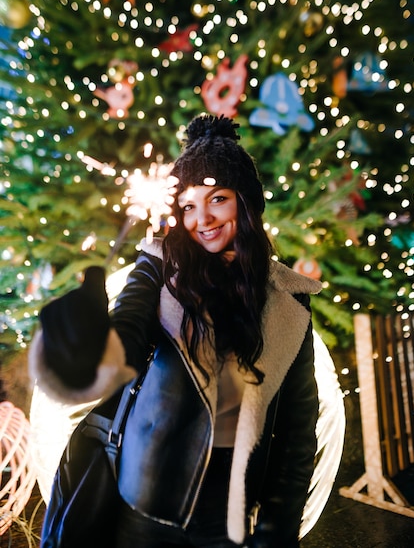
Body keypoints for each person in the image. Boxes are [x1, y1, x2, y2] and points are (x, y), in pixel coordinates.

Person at [30, 114, 322, 548]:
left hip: (230, 523)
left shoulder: (289, 300)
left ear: (245, 201)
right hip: (143, 511)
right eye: (188, 205)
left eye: (217, 198)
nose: (202, 218)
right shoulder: (159, 268)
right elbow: (125, 338)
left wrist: (278, 528)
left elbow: (298, 430)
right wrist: (86, 344)